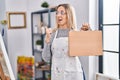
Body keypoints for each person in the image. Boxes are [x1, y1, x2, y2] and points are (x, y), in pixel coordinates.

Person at [42, 4, 90, 80]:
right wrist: (47, 40)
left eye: (62, 12)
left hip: (74, 75)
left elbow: (89, 49)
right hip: (57, 75)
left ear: (69, 15)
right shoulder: (52, 34)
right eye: (57, 13)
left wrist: (88, 32)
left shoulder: (76, 33)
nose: (58, 15)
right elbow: (46, 58)